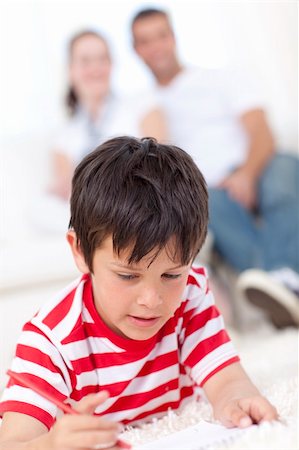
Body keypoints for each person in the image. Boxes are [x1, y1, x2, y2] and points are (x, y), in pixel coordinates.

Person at [0, 136, 277, 449]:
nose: (151, 299)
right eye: (127, 275)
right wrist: (51, 444)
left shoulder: (192, 293)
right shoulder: (49, 342)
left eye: (171, 274)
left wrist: (238, 402)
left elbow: (227, 380)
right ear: (80, 252)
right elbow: (13, 443)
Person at [130, 8, 299, 328]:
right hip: (208, 188)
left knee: (285, 171)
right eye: (145, 41)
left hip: (258, 165)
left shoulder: (221, 78)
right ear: (136, 50)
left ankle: (279, 281)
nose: (156, 47)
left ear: (174, 38)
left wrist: (246, 174)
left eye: (161, 36)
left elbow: (262, 131)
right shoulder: (145, 103)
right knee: (204, 207)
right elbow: (156, 155)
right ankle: (281, 285)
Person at [34, 29, 166, 233]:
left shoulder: (143, 107)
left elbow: (157, 165)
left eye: (102, 59)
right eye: (86, 61)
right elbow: (67, 189)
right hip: (89, 209)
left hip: (134, 201)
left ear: (112, 64)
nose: (95, 68)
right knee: (40, 209)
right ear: (71, 70)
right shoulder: (64, 136)